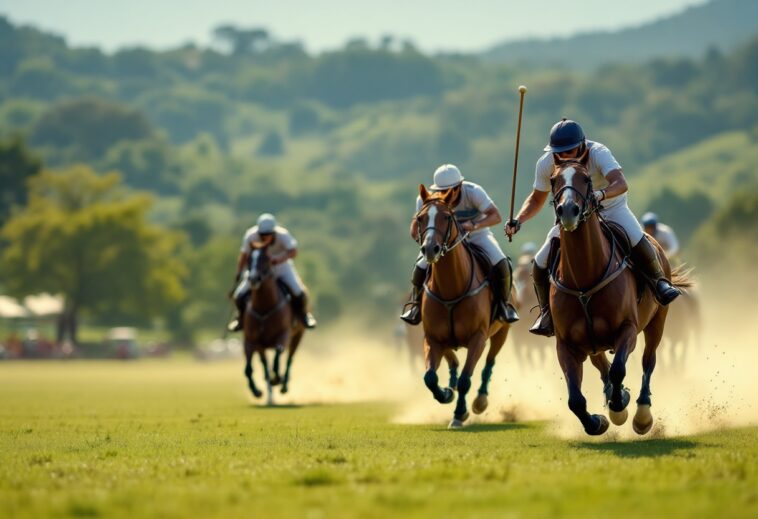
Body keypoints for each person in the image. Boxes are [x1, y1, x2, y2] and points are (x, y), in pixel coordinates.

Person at [505, 119, 680, 337]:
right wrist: (519, 219)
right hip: (572, 216)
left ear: (581, 145)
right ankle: (546, 314)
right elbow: (537, 198)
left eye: (570, 151)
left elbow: (621, 182)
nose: (565, 156)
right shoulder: (546, 163)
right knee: (539, 262)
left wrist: (601, 194)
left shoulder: (598, 152)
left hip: (610, 208)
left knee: (637, 239)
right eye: (560, 152)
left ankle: (659, 283)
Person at [400, 164, 519, 325]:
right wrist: (425, 240)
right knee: (419, 267)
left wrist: (475, 225)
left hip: (477, 234)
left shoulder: (473, 192)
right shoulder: (425, 199)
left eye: (451, 189)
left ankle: (504, 305)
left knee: (501, 261)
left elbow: (496, 216)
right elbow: (415, 227)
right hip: (442, 242)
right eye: (442, 191)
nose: (446, 194)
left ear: (460, 186)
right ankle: (415, 306)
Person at [228, 213, 317, 332]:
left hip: (282, 267)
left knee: (298, 291)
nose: (265, 238)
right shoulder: (251, 235)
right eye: (262, 235)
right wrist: (239, 272)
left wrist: (278, 260)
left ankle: (304, 316)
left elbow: (293, 252)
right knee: (239, 295)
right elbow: (244, 255)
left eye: (268, 235)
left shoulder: (283, 234)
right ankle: (239, 319)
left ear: (274, 232)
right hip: (259, 270)